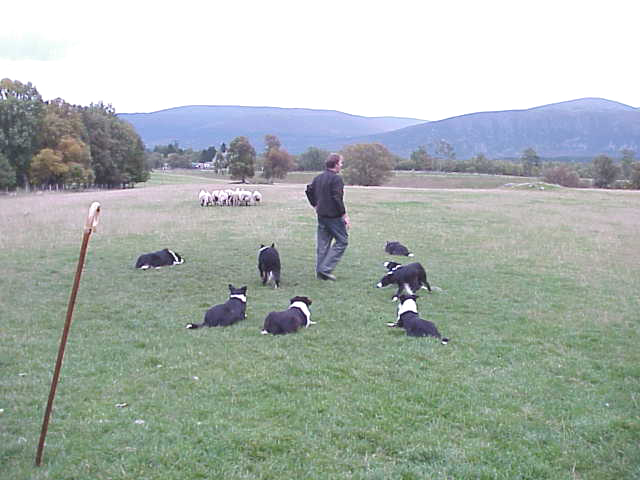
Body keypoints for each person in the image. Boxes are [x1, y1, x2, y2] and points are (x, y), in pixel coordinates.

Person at [305, 153, 351, 281]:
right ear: (335, 164)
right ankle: (325, 269)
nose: (341, 165)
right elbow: (337, 198)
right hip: (334, 217)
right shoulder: (336, 179)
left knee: (323, 245)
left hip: (322, 216)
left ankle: (321, 273)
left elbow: (309, 190)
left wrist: (315, 205)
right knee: (342, 241)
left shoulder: (318, 178)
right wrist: (344, 215)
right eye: (341, 163)